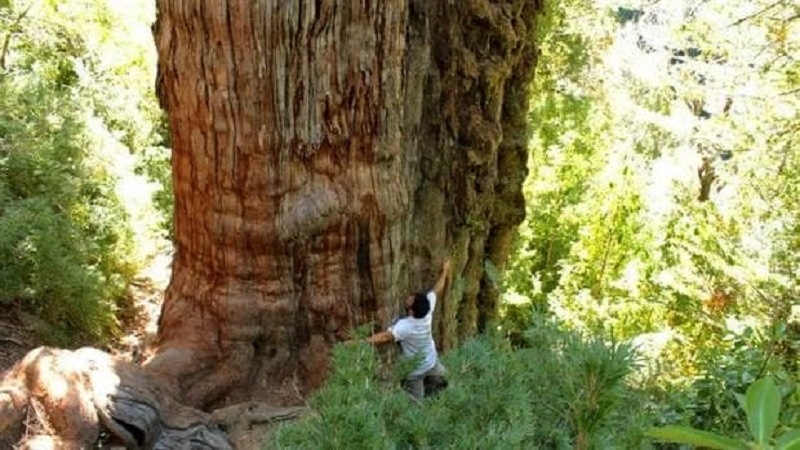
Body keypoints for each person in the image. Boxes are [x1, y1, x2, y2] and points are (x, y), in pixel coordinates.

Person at [365, 258, 451, 399]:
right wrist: (445, 271)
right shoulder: (427, 308)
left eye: (410, 300)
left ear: (411, 311)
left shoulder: (406, 327)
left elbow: (385, 337)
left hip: (415, 372)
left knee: (416, 404)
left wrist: (363, 340)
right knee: (449, 378)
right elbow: (436, 289)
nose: (409, 297)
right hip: (432, 361)